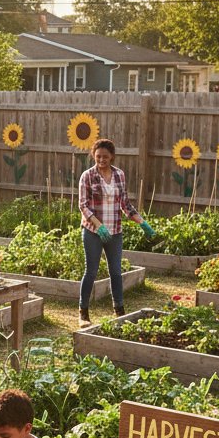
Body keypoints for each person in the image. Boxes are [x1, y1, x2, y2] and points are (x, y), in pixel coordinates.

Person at [77, 138, 155, 326]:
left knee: (116, 272)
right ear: (93, 156)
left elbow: (125, 205)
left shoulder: (119, 175)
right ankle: (83, 313)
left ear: (112, 156)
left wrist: (142, 222)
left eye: (105, 156)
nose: (101, 160)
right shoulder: (87, 176)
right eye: (98, 157)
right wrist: (98, 225)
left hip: (115, 231)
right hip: (93, 232)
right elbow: (83, 206)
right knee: (91, 271)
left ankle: (119, 311)